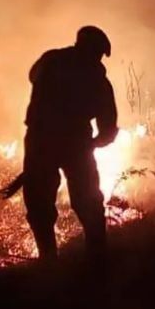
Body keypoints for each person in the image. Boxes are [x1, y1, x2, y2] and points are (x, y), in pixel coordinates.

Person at [22, 26, 118, 263]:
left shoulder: (50, 61)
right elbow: (108, 129)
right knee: (87, 201)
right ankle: (97, 259)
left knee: (39, 202)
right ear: (97, 51)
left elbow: (32, 76)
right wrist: (93, 144)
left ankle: (48, 259)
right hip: (75, 143)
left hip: (40, 140)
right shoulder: (98, 80)